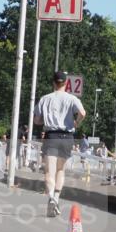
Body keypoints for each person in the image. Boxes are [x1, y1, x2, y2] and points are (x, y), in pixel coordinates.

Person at [34, 71, 86, 217]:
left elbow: (36, 120)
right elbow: (82, 113)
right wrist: (76, 122)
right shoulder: (71, 98)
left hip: (51, 136)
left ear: (53, 83)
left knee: (49, 171)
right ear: (66, 83)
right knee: (60, 170)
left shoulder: (45, 99)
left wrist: (43, 121)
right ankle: (56, 198)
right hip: (67, 137)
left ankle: (51, 197)